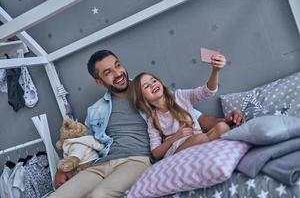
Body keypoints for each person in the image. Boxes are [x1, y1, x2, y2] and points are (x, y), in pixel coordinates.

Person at [50, 50, 244, 198]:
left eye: (118, 65)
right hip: (101, 163)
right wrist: (63, 168)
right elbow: (84, 143)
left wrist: (225, 119)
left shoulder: (148, 93)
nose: (118, 73)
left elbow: (193, 116)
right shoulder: (95, 110)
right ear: (100, 82)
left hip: (136, 160)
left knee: (98, 196)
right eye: (108, 72)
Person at [129, 53, 235, 159]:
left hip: (199, 138)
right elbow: (156, 153)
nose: (152, 84)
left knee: (222, 127)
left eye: (154, 80)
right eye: (147, 86)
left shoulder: (180, 96)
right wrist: (175, 137)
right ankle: (207, 146)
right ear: (142, 99)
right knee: (201, 139)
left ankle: (208, 151)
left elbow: (207, 91)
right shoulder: (153, 120)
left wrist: (215, 71)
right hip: (179, 150)